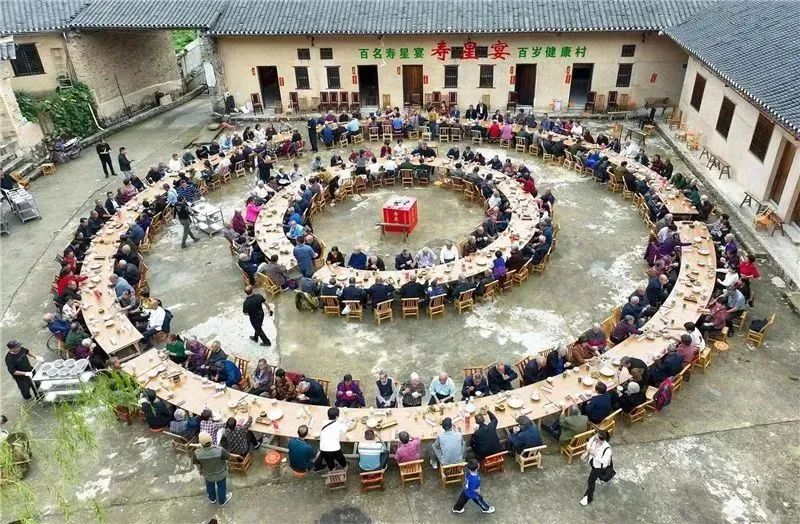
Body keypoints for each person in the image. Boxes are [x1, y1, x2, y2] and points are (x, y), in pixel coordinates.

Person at [193, 431, 233, 506]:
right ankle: (222, 501)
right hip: (221, 473)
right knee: (221, 487)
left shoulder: (197, 453)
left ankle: (212, 499)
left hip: (207, 474)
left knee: (210, 486)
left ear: (200, 442)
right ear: (211, 440)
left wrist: (200, 471)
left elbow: (198, 465)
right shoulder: (220, 450)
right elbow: (229, 457)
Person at [580, 430, 613, 506]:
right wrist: (589, 449)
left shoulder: (607, 449)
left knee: (591, 481)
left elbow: (604, 460)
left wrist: (595, 454)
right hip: (592, 462)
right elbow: (589, 443)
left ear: (601, 440)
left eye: (596, 438)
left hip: (598, 468)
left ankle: (589, 498)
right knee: (592, 478)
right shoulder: (595, 439)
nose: (594, 438)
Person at [313, 407, 348, 471]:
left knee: (329, 461)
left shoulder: (323, 423)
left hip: (323, 448)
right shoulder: (339, 425)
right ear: (337, 416)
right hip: (335, 448)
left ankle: (332, 469)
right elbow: (347, 429)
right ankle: (344, 467)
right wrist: (355, 423)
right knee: (341, 459)